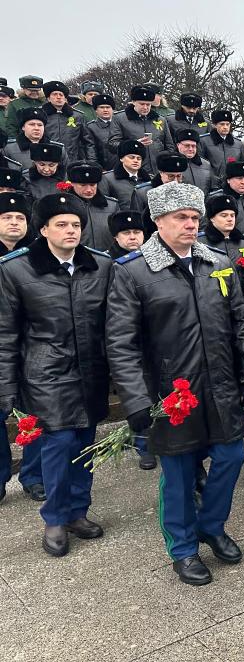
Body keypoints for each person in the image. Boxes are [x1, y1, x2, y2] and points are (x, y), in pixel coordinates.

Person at [106, 183, 244, 586]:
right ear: (158, 222)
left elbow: (239, 322)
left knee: (230, 458)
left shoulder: (217, 261)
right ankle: (183, 548)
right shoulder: (134, 271)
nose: (191, 225)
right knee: (179, 473)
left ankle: (212, 524)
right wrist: (136, 398)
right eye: (181, 219)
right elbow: (121, 342)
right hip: (172, 394)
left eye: (194, 217)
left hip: (220, 384)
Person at [0, 192, 112, 556]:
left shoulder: (101, 266)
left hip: (91, 371)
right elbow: (6, 334)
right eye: (61, 224)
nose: (70, 231)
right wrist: (6, 387)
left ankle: (78, 511)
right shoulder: (16, 270)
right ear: (44, 229)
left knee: (87, 446)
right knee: (59, 446)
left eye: (76, 225)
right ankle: (54, 517)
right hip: (46, 374)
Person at [0, 191, 44, 504]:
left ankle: (34, 475)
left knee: (34, 414)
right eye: (7, 217)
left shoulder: (36, 256)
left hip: (31, 344)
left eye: (20, 218)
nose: (15, 223)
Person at [107, 85, 175, 176]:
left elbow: (170, 147)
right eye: (142, 104)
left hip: (158, 171)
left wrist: (161, 157)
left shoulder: (160, 120)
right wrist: (134, 144)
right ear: (134, 102)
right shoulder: (119, 118)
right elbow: (112, 144)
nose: (145, 107)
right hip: (133, 173)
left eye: (148, 104)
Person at [67, 162, 120, 252]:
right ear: (72, 183)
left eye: (92, 185)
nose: (89, 190)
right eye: (83, 185)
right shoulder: (64, 207)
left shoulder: (112, 205)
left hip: (109, 257)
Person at [41, 81, 95, 164]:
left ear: (65, 98)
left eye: (61, 95)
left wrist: (91, 162)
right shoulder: (41, 115)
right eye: (55, 94)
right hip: (48, 162)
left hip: (73, 162)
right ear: (48, 98)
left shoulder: (78, 116)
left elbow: (88, 142)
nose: (58, 97)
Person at [198, 193, 244, 265]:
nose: (230, 219)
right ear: (212, 218)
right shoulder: (200, 244)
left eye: (232, 215)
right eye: (224, 216)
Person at [98, 139, 151, 212]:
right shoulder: (107, 178)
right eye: (131, 157)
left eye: (139, 158)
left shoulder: (148, 180)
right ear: (121, 158)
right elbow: (105, 206)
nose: (135, 160)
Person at [199, 110, 241, 180]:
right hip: (211, 182)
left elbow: (241, 164)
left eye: (227, 124)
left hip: (232, 183)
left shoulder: (238, 144)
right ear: (215, 125)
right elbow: (201, 164)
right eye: (222, 124)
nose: (225, 127)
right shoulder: (203, 141)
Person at [5, 106, 50, 171]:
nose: (36, 128)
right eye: (32, 124)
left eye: (40, 125)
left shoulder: (57, 149)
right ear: (23, 127)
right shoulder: (8, 149)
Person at [174, 128, 215, 195]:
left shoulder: (206, 164)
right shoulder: (170, 163)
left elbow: (212, 187)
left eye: (193, 146)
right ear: (178, 145)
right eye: (187, 146)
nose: (190, 149)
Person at [86, 94, 118, 171]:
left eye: (108, 107)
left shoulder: (120, 123)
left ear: (112, 109)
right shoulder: (91, 127)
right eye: (102, 107)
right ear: (96, 110)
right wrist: (96, 168)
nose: (105, 110)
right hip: (104, 169)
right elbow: (91, 151)